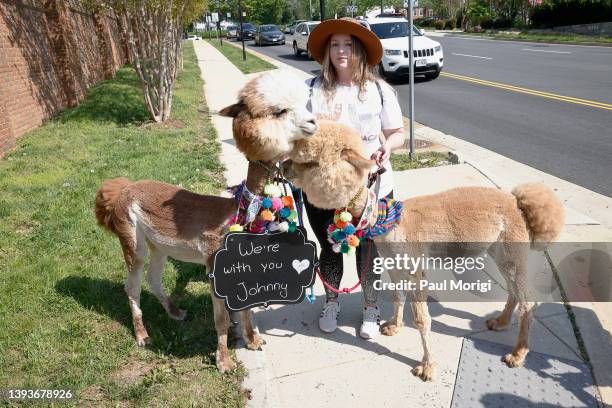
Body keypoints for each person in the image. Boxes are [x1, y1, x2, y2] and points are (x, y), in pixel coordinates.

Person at [304, 18, 405, 339]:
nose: (341, 51)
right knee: (330, 247)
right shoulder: (311, 89)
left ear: (359, 49)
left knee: (370, 249)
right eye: (335, 45)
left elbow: (397, 132)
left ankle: (371, 307)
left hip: (372, 187)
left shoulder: (379, 90)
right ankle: (331, 301)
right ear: (327, 51)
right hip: (324, 189)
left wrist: (387, 147)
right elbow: (297, 134)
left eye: (348, 44)